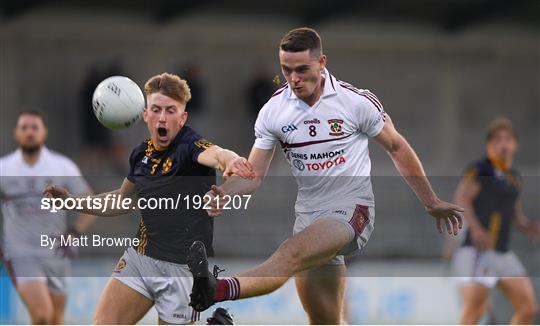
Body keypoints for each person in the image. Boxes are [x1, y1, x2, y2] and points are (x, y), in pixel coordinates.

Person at [187, 27, 464, 324]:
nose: (294, 78)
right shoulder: (273, 111)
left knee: (290, 252)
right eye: (286, 70)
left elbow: (396, 147)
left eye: (302, 69)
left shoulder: (355, 102)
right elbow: (253, 174)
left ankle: (216, 289)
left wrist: (430, 200)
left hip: (352, 211)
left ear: (321, 63)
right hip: (310, 219)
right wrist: (225, 192)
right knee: (325, 321)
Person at [43, 73, 252, 324]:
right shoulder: (140, 154)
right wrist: (71, 201)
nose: (162, 117)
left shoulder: (191, 147)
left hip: (182, 269)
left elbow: (217, 154)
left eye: (171, 110)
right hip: (140, 260)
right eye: (156, 109)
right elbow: (123, 200)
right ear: (145, 115)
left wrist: (231, 161)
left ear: (182, 117)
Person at [0, 110, 95, 324]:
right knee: (42, 315)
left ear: (44, 132)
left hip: (56, 252)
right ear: (16, 133)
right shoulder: (4, 168)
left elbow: (90, 199)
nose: (29, 133)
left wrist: (74, 231)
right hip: (20, 252)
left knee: (55, 318)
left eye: (34, 128)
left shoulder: (62, 166)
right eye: (24, 128)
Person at [453, 117, 539, 325]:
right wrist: (475, 229)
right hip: (479, 251)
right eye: (498, 139)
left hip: (502, 251)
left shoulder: (513, 177)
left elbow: (515, 214)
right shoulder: (481, 169)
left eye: (508, 139)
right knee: (475, 312)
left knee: (527, 308)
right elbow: (462, 198)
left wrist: (529, 227)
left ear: (515, 144)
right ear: (489, 143)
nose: (503, 143)